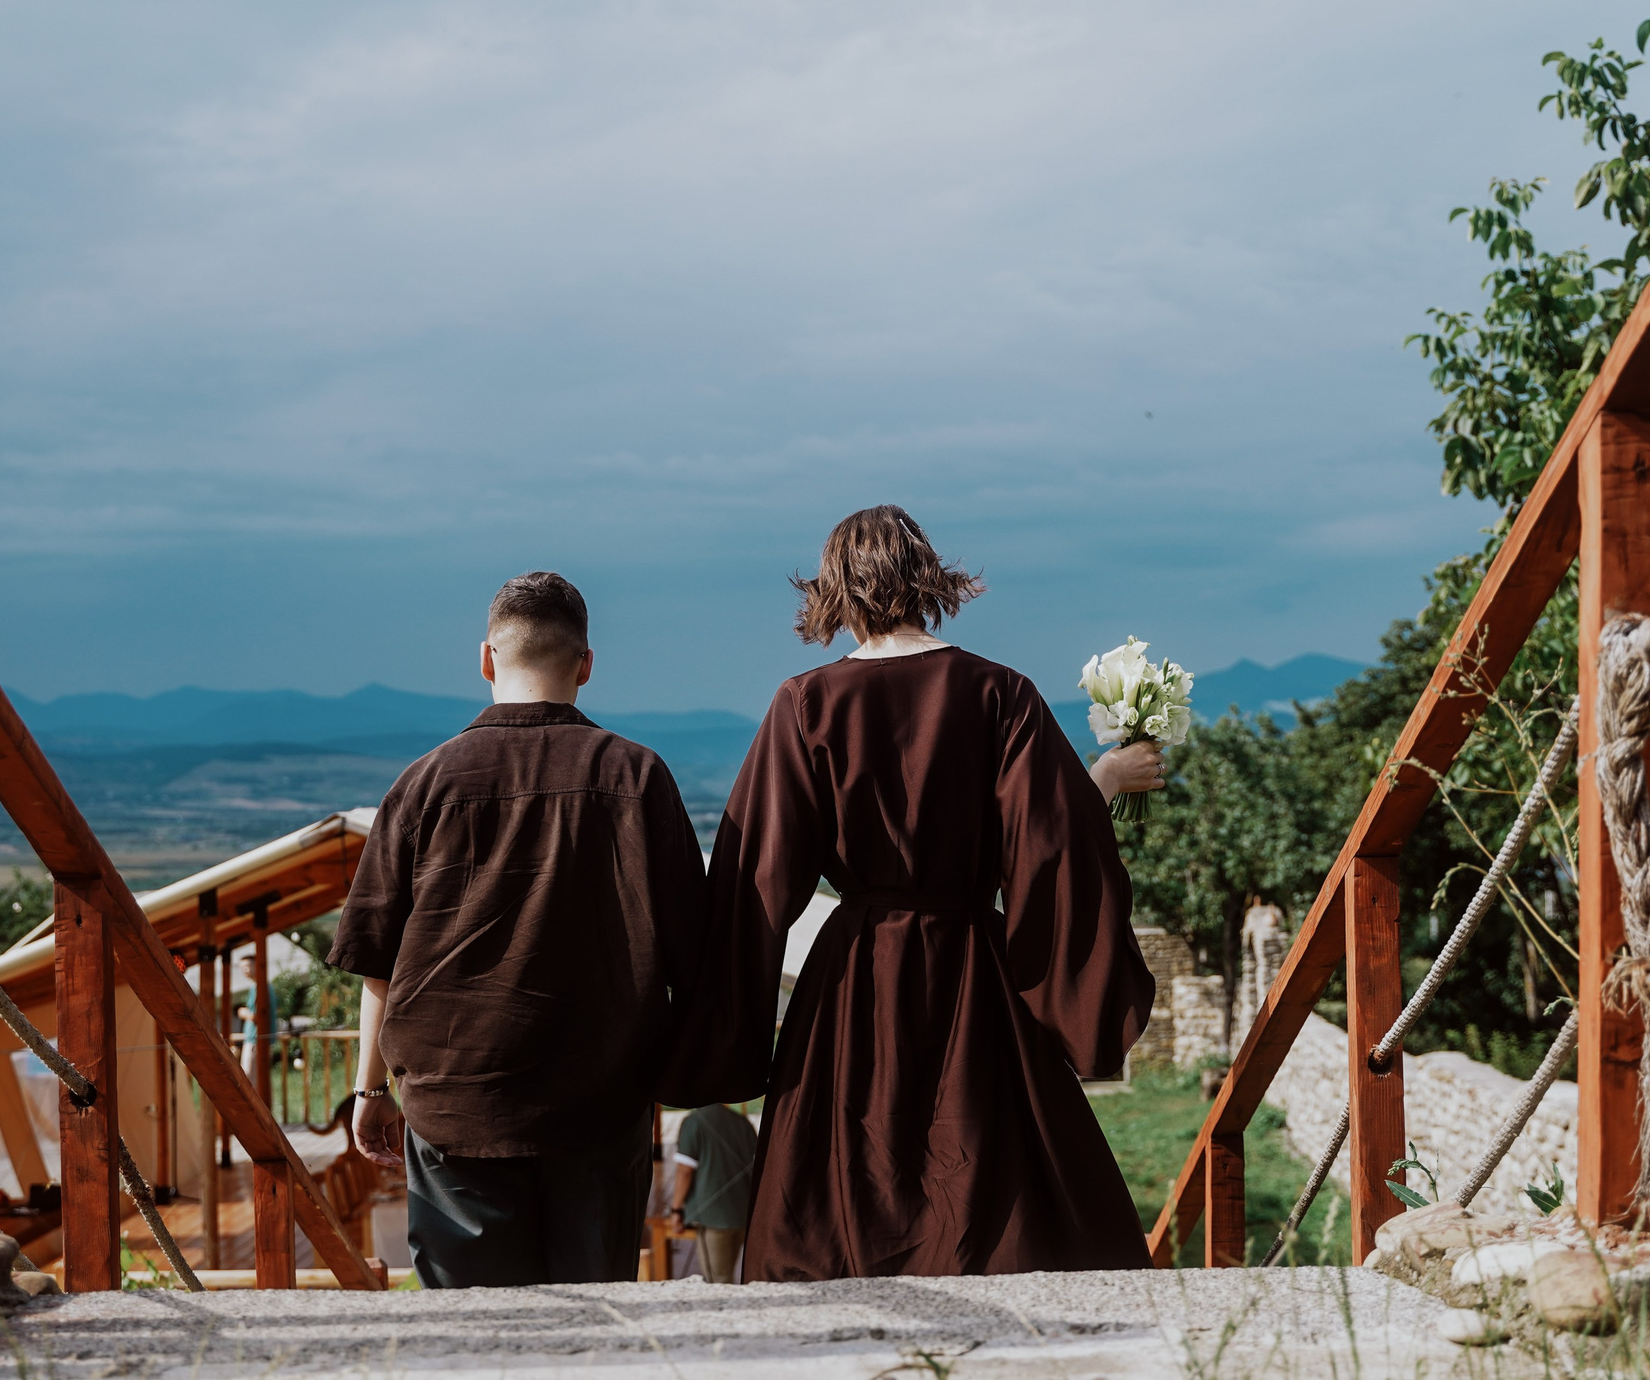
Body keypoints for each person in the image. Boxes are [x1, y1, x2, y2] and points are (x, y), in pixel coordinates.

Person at [667, 505, 1167, 1280]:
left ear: (836, 591)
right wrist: (1100, 779)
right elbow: (1049, 851)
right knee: (994, 1186)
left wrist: (720, 1037)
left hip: (852, 987)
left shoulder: (805, 703)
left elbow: (754, 878)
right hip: (973, 973)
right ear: (930, 580)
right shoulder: (1001, 692)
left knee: (837, 1202)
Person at [330, 572, 706, 1287]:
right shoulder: (638, 778)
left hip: (454, 1108)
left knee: (473, 1329)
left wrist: (369, 1091)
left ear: (486, 659)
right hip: (602, 1107)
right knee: (597, 1321)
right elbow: (690, 948)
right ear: (585, 664)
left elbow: (380, 960)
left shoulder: (422, 784)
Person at [669, 1101, 757, 1282]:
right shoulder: (742, 1122)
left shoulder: (693, 1122)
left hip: (712, 1217)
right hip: (742, 1213)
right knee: (727, 1276)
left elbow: (685, 1171)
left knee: (717, 1281)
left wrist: (676, 1209)